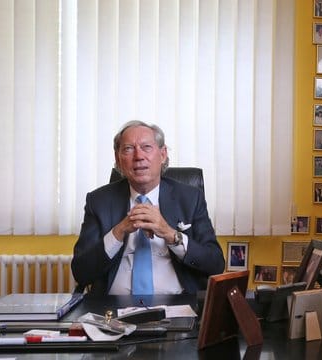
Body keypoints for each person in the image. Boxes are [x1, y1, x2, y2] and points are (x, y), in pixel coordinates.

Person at [72, 121, 225, 295]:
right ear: (118, 159)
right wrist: (118, 232)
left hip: (176, 307)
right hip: (113, 311)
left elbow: (215, 264)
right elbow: (81, 272)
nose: (138, 156)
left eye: (146, 147)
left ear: (163, 154)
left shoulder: (190, 198)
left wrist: (170, 234)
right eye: (128, 149)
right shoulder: (98, 201)